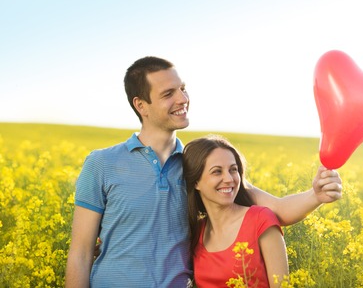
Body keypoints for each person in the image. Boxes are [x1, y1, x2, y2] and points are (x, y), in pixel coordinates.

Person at [65, 56, 343, 287]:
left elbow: (277, 210)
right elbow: (80, 253)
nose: (182, 98)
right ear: (141, 105)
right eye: (168, 93)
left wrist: (316, 195)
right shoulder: (101, 164)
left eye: (183, 88)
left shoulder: (195, 166)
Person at [183, 135, 289, 287]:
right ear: (196, 182)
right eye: (217, 172)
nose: (229, 179)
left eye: (233, 170)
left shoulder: (261, 220)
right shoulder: (196, 232)